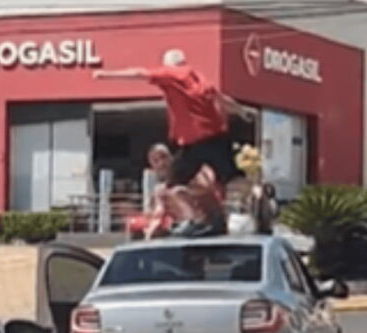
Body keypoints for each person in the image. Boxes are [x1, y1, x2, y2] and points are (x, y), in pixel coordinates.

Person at [93, 48, 254, 234]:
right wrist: (241, 112)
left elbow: (138, 73)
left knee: (171, 187)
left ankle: (195, 219)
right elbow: (223, 100)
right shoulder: (199, 78)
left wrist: (105, 74)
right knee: (233, 179)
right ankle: (254, 200)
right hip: (217, 139)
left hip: (193, 144)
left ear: (169, 64)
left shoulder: (171, 73)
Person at [144, 143, 226, 239]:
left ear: (172, 157)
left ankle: (192, 223)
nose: (162, 163)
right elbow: (158, 215)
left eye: (164, 157)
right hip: (186, 234)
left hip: (212, 225)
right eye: (155, 161)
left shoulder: (199, 173)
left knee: (177, 192)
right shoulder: (160, 191)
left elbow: (208, 189)